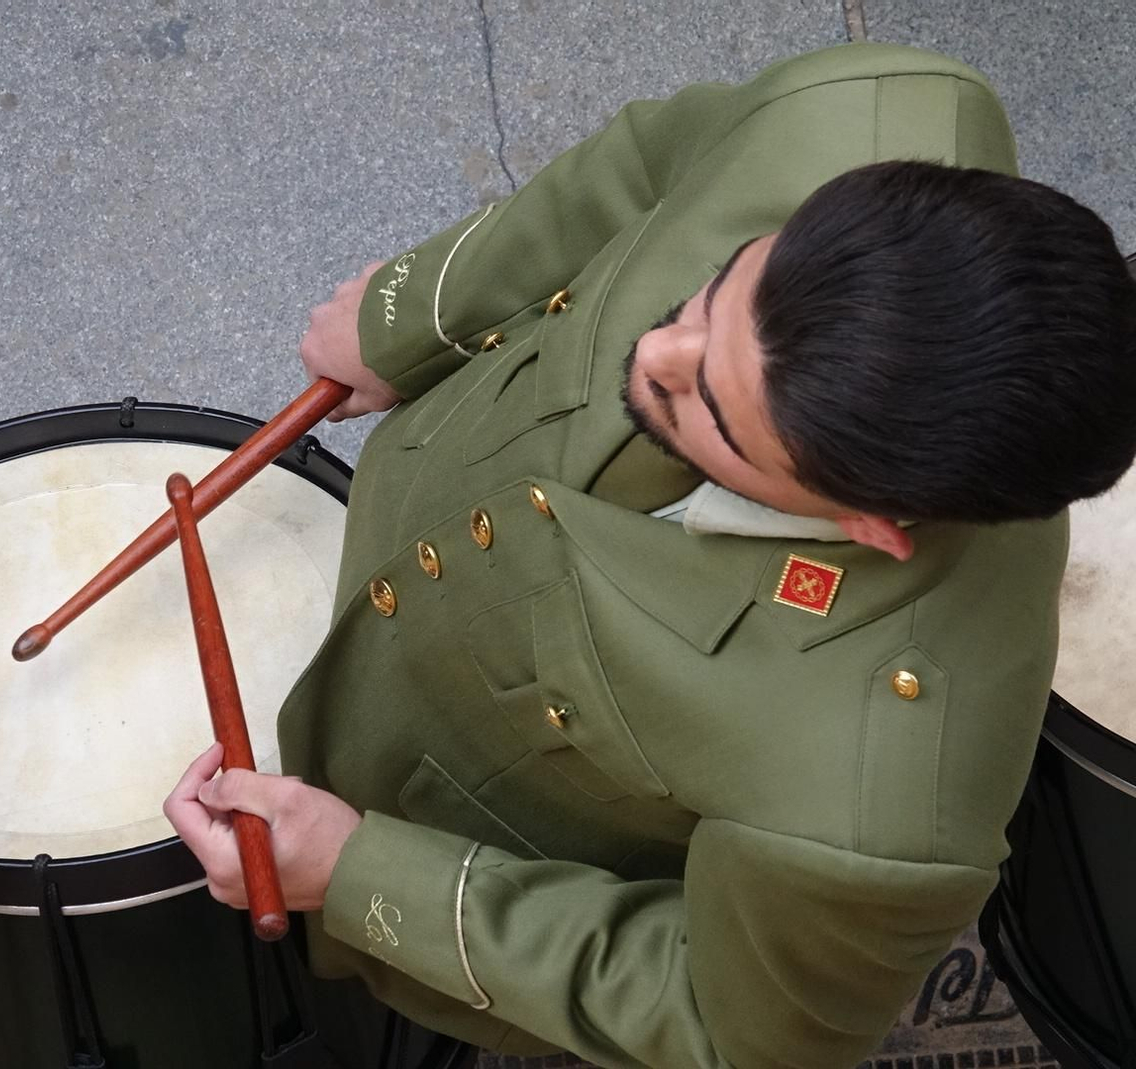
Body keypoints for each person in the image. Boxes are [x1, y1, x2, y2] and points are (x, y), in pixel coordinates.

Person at [164, 42, 1136, 1068]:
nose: (652, 353)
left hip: (434, 797)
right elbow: (636, 176)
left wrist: (358, 875)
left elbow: (725, 1024)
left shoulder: (876, 815)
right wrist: (413, 317)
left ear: (870, 528)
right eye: (710, 294)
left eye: (703, 405)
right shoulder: (874, 113)